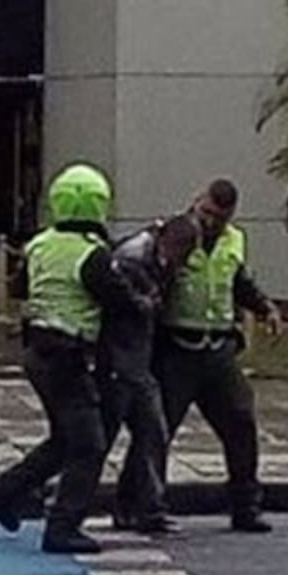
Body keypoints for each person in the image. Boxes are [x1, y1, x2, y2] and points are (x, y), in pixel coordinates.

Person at [0, 164, 149, 554]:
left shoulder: (39, 244)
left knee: (65, 439)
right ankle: (63, 526)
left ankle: (3, 492)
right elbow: (119, 300)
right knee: (90, 445)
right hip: (69, 357)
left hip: (37, 352)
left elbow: (20, 287)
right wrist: (145, 302)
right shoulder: (92, 253)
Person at [142, 178, 282, 534]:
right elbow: (151, 279)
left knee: (240, 422)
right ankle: (142, 506)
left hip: (217, 347)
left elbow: (238, 281)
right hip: (177, 346)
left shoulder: (234, 239)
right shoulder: (174, 234)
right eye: (205, 212)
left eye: (219, 218)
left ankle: (245, 506)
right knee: (157, 429)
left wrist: (264, 307)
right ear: (196, 201)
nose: (209, 222)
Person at [107, 215, 201, 534]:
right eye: (181, 253)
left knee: (153, 431)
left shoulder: (160, 257)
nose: (181, 263)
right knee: (99, 440)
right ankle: (65, 507)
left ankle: (147, 508)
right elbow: (127, 305)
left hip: (138, 359)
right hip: (119, 359)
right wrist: (149, 303)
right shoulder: (133, 259)